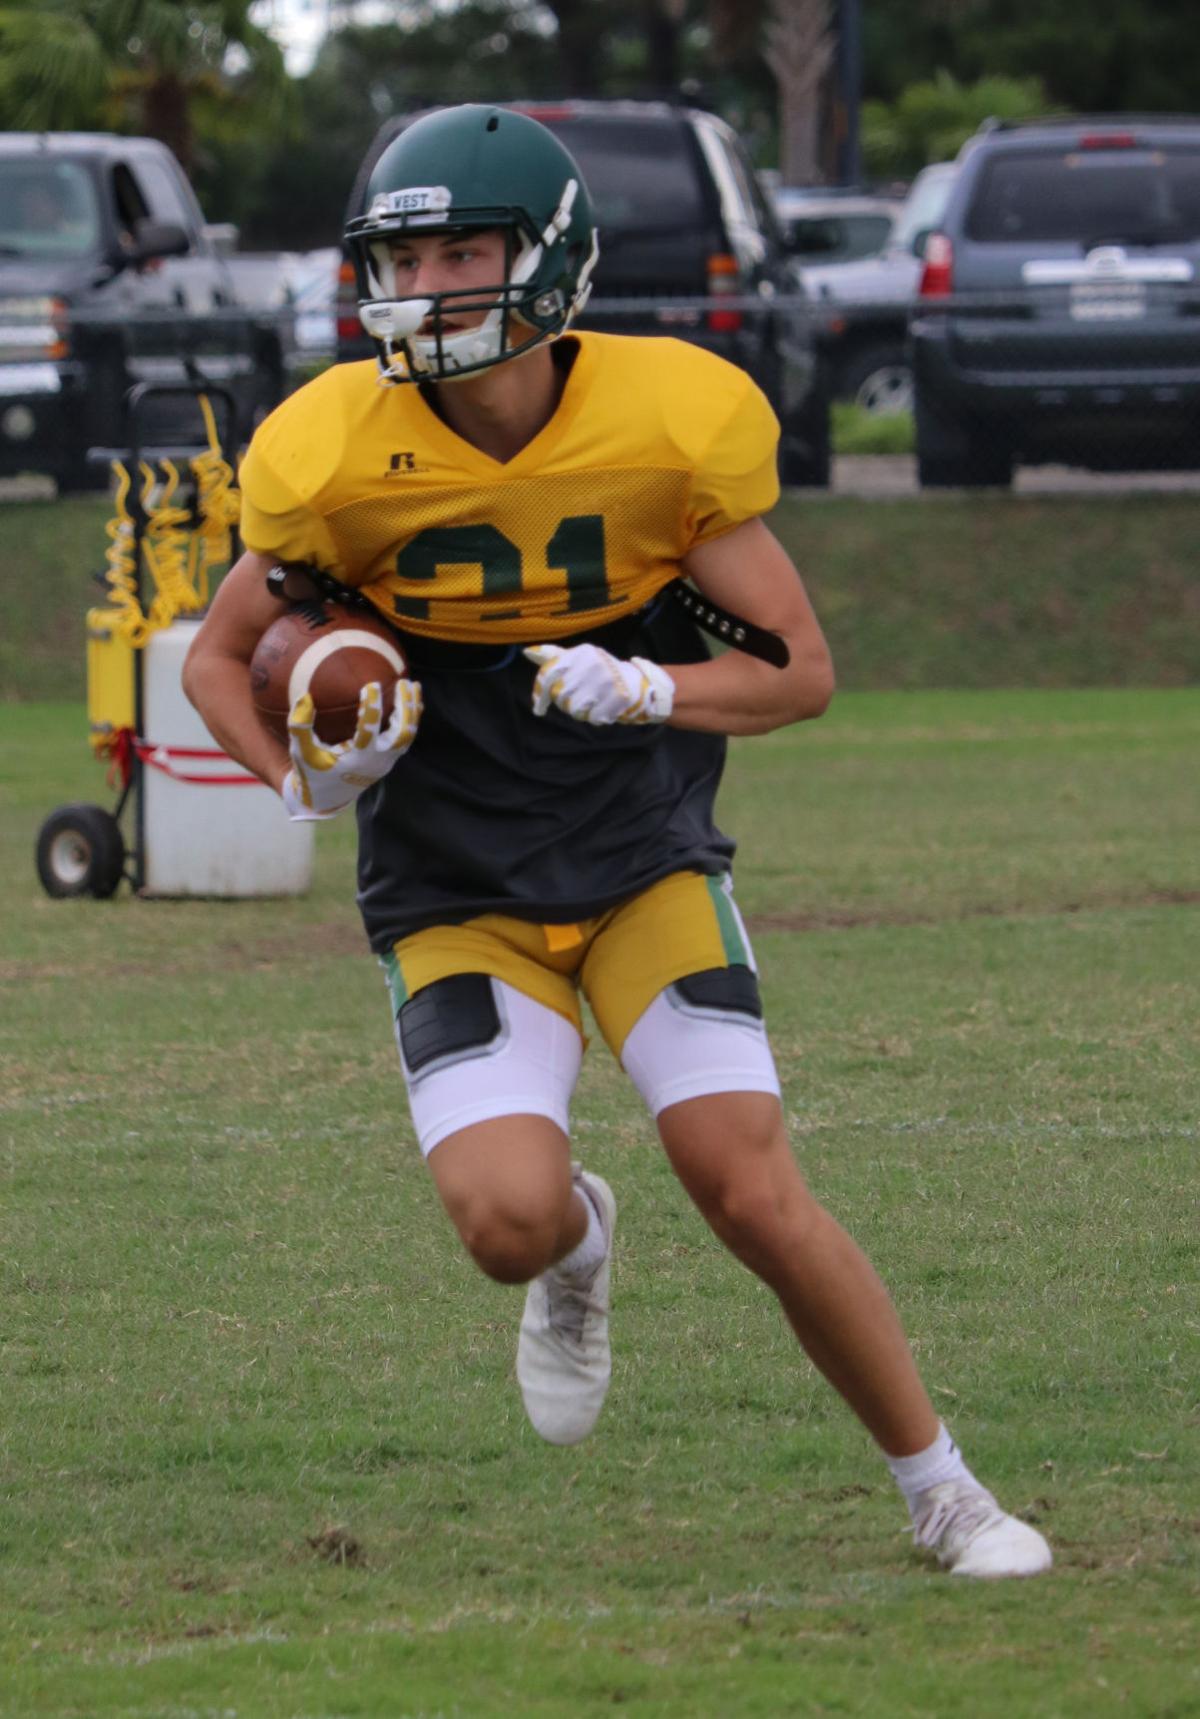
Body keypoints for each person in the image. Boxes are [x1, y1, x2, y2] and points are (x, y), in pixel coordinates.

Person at [183, 103, 1051, 1579]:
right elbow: (219, 662)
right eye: (407, 258)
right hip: (454, 888)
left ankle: (944, 1490)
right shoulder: (332, 451)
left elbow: (801, 672)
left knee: (748, 1186)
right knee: (505, 1225)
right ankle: (579, 1245)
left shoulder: (664, 424)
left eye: (465, 253)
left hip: (641, 856)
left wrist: (655, 687)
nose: (431, 285)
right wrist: (301, 784)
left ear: (551, 258)